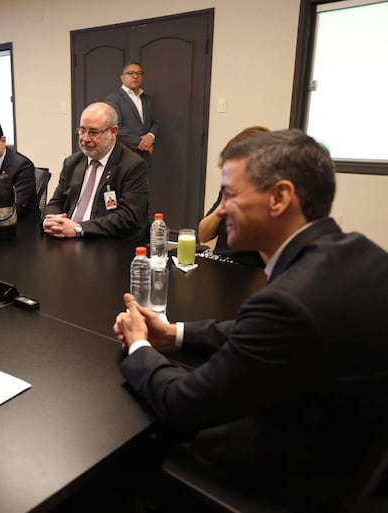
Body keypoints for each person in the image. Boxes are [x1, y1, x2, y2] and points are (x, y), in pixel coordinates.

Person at [114, 129, 388, 512]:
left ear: (279, 197)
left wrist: (140, 345)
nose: (220, 209)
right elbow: (267, 333)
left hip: (291, 480)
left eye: (229, 194)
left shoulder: (288, 301)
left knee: (129, 456)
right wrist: (174, 333)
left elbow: (183, 405)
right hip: (349, 454)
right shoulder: (363, 254)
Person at [43, 102, 149, 240]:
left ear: (113, 132)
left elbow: (127, 217)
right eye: (82, 130)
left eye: (93, 132)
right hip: (67, 239)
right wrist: (51, 220)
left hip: (106, 243)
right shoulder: (72, 163)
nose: (85, 139)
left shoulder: (133, 166)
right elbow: (56, 202)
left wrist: (78, 228)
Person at [198, 126, 268, 267]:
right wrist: (220, 209)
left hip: (251, 271)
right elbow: (203, 236)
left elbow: (275, 265)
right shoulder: (230, 190)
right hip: (220, 262)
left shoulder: (273, 200)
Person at [104, 62, 159, 160]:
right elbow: (117, 128)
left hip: (145, 156)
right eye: (130, 73)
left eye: (139, 73)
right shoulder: (113, 98)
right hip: (124, 154)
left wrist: (151, 136)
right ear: (122, 77)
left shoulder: (147, 99)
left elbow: (154, 123)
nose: (135, 76)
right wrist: (143, 144)